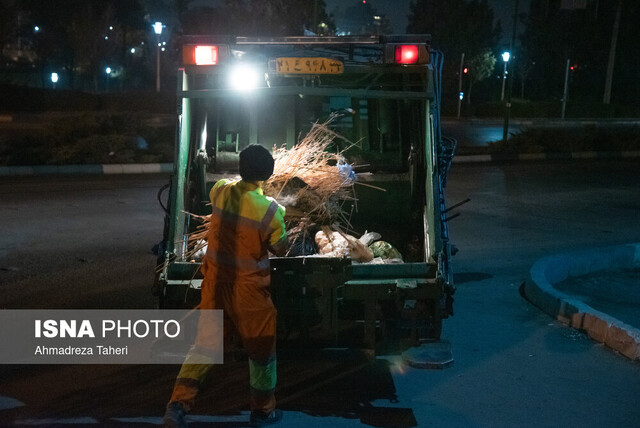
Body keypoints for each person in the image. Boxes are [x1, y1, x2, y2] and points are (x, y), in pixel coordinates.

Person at [164, 144, 287, 428]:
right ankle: (262, 410)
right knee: (261, 351)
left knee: (205, 347)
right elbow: (281, 248)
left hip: (215, 285)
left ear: (240, 168)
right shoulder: (270, 211)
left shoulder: (220, 191)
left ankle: (177, 406)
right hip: (249, 294)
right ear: (268, 174)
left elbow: (224, 189)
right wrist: (280, 216)